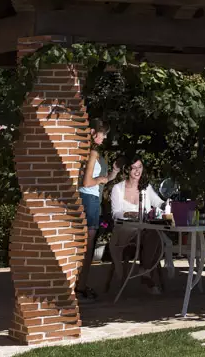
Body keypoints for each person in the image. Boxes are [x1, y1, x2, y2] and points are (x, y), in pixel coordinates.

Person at [109, 160, 169, 294]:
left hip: (145, 230)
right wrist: (130, 214)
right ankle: (146, 274)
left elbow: (158, 202)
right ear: (127, 170)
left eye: (140, 167)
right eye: (133, 168)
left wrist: (168, 205)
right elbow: (115, 213)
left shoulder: (146, 187)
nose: (137, 171)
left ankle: (144, 271)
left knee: (155, 232)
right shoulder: (118, 188)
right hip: (126, 230)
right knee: (153, 234)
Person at [76, 121, 118, 301]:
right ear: (93, 132)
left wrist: (111, 175)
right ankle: (80, 286)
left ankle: (81, 285)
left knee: (86, 247)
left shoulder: (87, 152)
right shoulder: (92, 152)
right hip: (89, 201)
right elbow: (86, 183)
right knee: (87, 247)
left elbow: (98, 180)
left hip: (90, 200)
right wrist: (101, 179)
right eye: (103, 134)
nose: (105, 138)